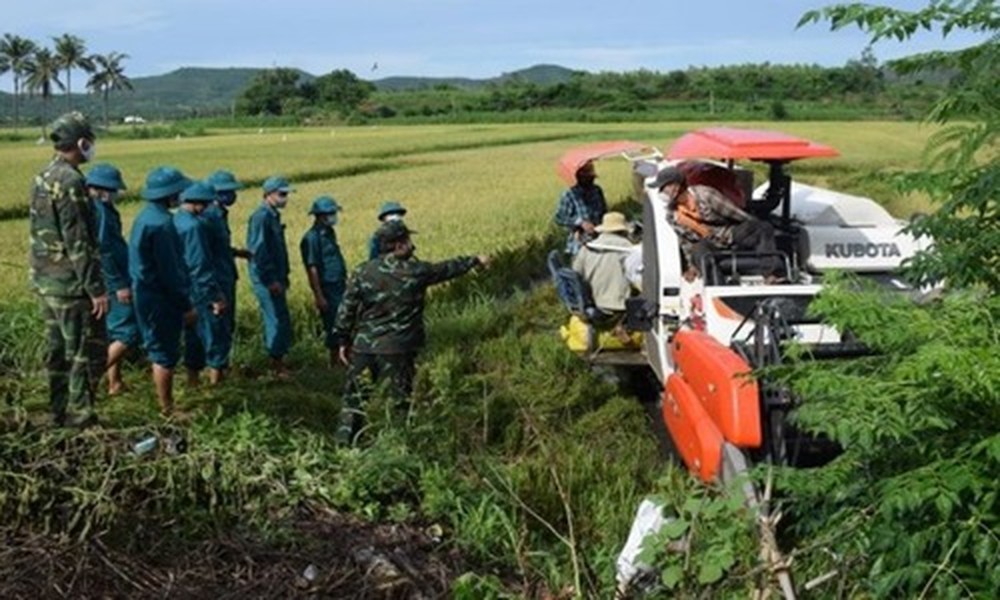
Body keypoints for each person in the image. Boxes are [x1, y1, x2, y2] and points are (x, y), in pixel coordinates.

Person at [333, 221, 488, 445]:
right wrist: (475, 260)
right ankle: (398, 448)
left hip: (364, 348)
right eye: (408, 241)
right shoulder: (416, 271)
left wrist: (342, 340)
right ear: (398, 245)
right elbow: (447, 269)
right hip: (398, 350)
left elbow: (346, 310)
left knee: (354, 400)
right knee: (399, 402)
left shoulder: (362, 272)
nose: (411, 245)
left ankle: (344, 446)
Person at [29, 111, 107, 428]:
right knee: (82, 352)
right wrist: (96, 290)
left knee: (58, 351)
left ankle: (57, 411)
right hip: (71, 286)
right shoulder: (72, 181)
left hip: (46, 281)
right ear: (80, 142)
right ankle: (81, 416)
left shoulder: (42, 177)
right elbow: (78, 243)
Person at [130, 166, 197, 417]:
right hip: (160, 298)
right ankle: (167, 409)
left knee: (158, 348)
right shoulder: (163, 225)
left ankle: (165, 405)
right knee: (165, 353)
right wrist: (186, 305)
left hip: (145, 293)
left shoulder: (144, 217)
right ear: (169, 194)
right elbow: (171, 272)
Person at [649, 166, 780, 279]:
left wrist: (752, 226)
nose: (661, 192)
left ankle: (771, 274)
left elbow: (737, 214)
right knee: (700, 252)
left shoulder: (706, 195)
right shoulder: (673, 215)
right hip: (707, 243)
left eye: (663, 188)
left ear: (675, 187)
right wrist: (691, 266)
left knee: (762, 227)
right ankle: (718, 291)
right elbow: (685, 242)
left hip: (729, 234)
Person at [86, 163, 138, 396]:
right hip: (114, 281)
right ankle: (90, 379)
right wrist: (120, 285)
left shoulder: (98, 208)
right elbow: (104, 250)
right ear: (101, 189)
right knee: (128, 332)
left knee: (114, 332)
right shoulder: (100, 211)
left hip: (110, 278)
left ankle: (114, 383)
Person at [174, 182, 228, 388]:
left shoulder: (176, 220)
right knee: (214, 333)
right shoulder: (194, 226)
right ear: (198, 204)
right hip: (200, 288)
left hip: (184, 287)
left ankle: (192, 381)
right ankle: (216, 384)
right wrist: (215, 296)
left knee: (192, 334)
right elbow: (200, 265)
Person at [204, 169, 250, 384]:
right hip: (217, 280)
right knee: (218, 327)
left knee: (226, 325)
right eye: (229, 191)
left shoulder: (220, 214)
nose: (233, 195)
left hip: (226, 275)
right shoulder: (210, 217)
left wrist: (237, 252)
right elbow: (205, 253)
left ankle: (223, 369)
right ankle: (215, 379)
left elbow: (220, 247)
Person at [247, 175, 293, 378]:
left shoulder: (273, 215)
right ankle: (276, 365)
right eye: (282, 194)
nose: (285, 198)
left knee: (280, 317)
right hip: (267, 280)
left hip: (277, 277)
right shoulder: (261, 217)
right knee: (274, 318)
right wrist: (270, 280)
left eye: (286, 194)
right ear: (268, 195)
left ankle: (280, 360)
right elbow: (259, 252)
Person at [300, 196, 347, 367]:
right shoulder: (311, 238)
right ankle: (334, 363)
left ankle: (344, 359)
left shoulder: (329, 233)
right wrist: (319, 295)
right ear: (320, 215)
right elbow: (312, 268)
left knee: (345, 322)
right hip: (327, 288)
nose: (333, 216)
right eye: (330, 213)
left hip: (340, 284)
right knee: (333, 325)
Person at [571, 211, 637, 314]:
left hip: (594, 304)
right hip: (621, 305)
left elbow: (576, 273)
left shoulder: (587, 248)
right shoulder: (629, 248)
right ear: (623, 231)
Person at [553, 160, 607, 255]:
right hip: (579, 243)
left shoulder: (597, 190)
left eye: (592, 177)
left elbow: (604, 212)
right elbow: (559, 218)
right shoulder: (569, 194)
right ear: (579, 177)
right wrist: (580, 222)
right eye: (588, 177)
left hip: (599, 240)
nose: (592, 179)